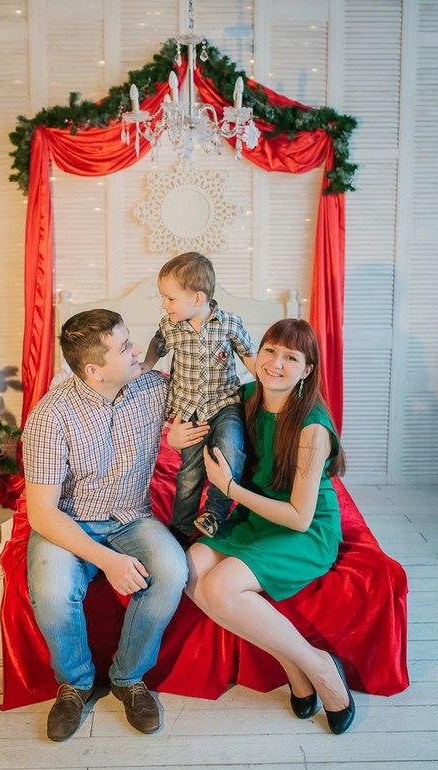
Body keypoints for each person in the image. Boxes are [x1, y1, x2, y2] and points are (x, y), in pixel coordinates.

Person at [22, 308, 209, 741]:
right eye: (124, 348)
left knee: (172, 569)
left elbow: (209, 389)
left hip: (131, 516)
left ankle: (128, 677)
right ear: (94, 370)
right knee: (52, 590)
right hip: (69, 521)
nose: (137, 350)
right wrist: (108, 561)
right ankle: (75, 684)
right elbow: (43, 513)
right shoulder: (50, 416)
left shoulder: (153, 388)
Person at [185, 318, 356, 735]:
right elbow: (189, 402)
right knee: (188, 570)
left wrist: (230, 489)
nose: (276, 364)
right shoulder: (243, 398)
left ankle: (320, 666)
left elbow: (299, 516)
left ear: (307, 370)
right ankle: (292, 666)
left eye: (291, 358)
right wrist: (176, 439)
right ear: (256, 353)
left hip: (303, 529)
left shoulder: (311, 427)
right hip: (253, 517)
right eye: (270, 351)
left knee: (220, 586)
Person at [142, 252, 256, 547]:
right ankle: (180, 528)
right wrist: (147, 364)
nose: (164, 305)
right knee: (190, 472)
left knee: (229, 451)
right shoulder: (171, 326)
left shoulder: (229, 324)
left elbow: (249, 355)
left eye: (170, 298)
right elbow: (158, 344)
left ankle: (215, 513)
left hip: (224, 404)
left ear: (198, 298)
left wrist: (266, 380)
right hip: (189, 410)